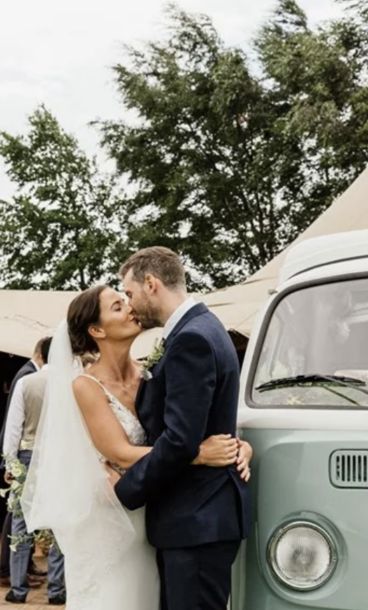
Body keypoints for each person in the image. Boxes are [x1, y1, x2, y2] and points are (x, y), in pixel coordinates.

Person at [21, 284, 252, 609]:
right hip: (114, 516)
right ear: (97, 330)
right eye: (117, 306)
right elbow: (121, 454)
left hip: (158, 509)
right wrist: (199, 455)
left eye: (126, 300)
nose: (130, 307)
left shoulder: (150, 373)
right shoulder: (86, 386)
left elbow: (184, 428)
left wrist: (237, 445)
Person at [114, 247, 251, 610]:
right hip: (200, 517)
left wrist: (124, 490)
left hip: (197, 518)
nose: (130, 305)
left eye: (129, 294)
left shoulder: (191, 339)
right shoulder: (202, 328)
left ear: (151, 284)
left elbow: (180, 439)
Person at [2, 340, 66, 605]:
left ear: (41, 355)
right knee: (60, 523)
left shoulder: (26, 383)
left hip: (28, 457)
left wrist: (10, 463)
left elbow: (14, 426)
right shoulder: (70, 384)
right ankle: (56, 590)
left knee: (21, 522)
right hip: (61, 459)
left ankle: (18, 590)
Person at [0, 339, 49, 587]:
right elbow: (13, 422)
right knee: (18, 514)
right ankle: (10, 571)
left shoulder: (28, 378)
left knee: (21, 514)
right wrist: (10, 462)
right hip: (33, 454)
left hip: (26, 453)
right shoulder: (26, 376)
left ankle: (21, 572)